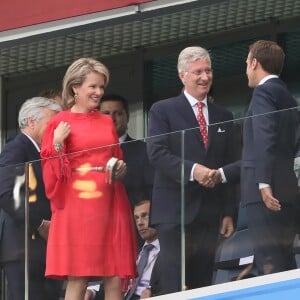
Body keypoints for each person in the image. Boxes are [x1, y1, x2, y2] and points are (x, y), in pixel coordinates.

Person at [40, 57, 137, 300]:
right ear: (76, 88)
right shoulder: (59, 122)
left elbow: (116, 156)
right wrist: (58, 143)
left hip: (110, 198)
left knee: (114, 272)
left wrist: (120, 168)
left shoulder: (106, 121)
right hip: (78, 202)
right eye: (93, 86)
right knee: (79, 276)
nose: (98, 92)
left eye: (101, 87)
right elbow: (50, 170)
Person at [146, 46, 237, 293]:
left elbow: (232, 162)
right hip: (174, 208)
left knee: (202, 279)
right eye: (197, 71)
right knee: (173, 280)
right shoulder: (162, 109)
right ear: (182, 75)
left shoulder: (224, 115)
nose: (205, 77)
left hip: (209, 211)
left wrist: (228, 212)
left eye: (208, 70)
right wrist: (194, 170)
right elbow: (157, 153)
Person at [220, 40, 300, 276]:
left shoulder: (263, 92)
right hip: (286, 190)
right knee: (284, 258)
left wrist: (263, 183)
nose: (246, 68)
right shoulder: (286, 95)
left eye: (246, 62)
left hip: (265, 192)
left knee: (269, 261)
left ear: (255, 63)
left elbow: (265, 137)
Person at [0, 97, 63, 300]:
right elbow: (8, 194)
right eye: (51, 123)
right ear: (31, 121)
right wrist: (40, 224)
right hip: (24, 246)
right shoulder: (16, 147)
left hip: (42, 249)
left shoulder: (42, 151)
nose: (54, 129)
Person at [85, 200, 160, 300]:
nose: (140, 223)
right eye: (136, 218)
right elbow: (112, 283)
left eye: (145, 215)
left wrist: (153, 293)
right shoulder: (132, 251)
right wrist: (91, 291)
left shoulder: (170, 251)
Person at [99, 94, 153, 208]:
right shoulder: (89, 152)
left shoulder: (144, 150)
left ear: (127, 117)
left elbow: (151, 191)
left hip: (131, 218)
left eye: (118, 113)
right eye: (106, 113)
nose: (112, 119)